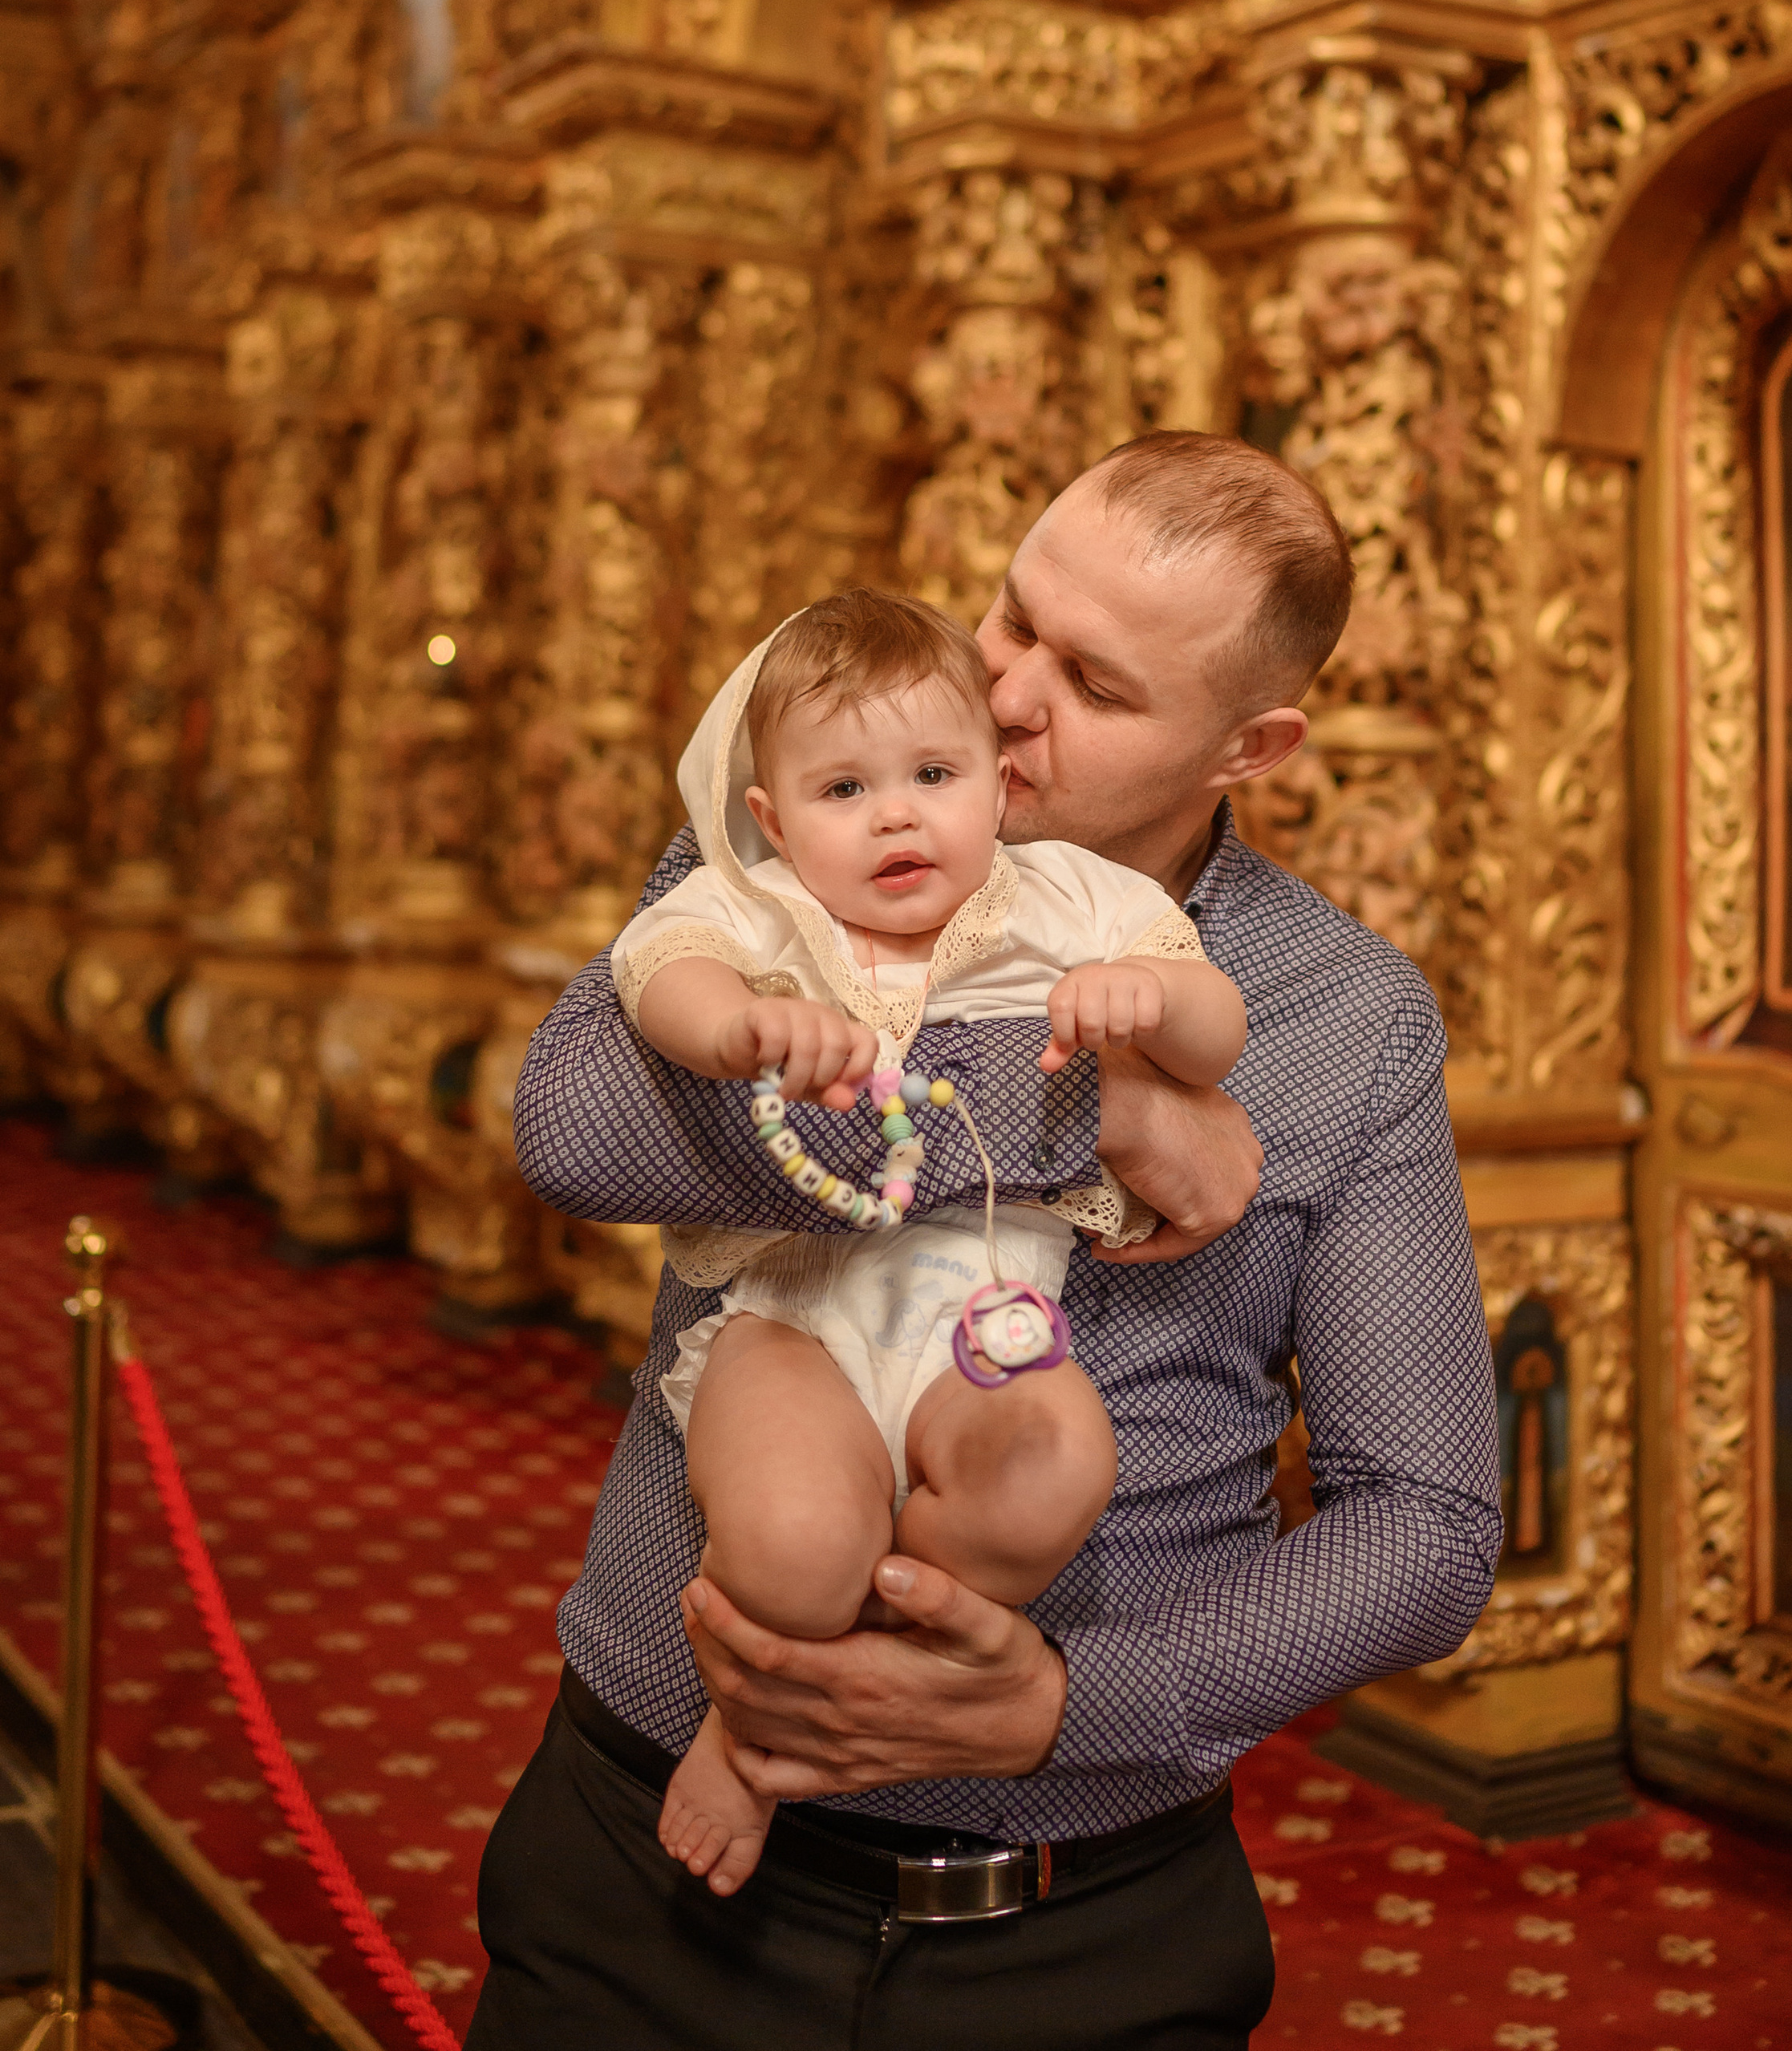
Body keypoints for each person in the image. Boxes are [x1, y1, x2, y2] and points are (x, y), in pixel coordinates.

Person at [471, 431, 1499, 2051]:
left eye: (1092, 682)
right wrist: (1085, 1116)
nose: (1005, 693)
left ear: (1251, 743)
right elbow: (580, 1129)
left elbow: (1428, 1522)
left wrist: (1059, 1708)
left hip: (1079, 1916)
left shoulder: (1339, 1018)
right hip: (649, 1851)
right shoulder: (811, 829)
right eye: (1012, 616)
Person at [614, 588, 1246, 1892]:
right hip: (793, 1325)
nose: (897, 813)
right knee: (791, 1546)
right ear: (775, 821)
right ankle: (765, 1707)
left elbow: (1216, 1028)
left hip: (982, 1324)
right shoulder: (767, 907)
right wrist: (735, 1027)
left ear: (999, 789)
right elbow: (653, 966)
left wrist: (1157, 1001)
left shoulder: (1068, 897)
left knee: (1052, 1468)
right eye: (844, 789)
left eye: (934, 775)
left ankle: (758, 1731)